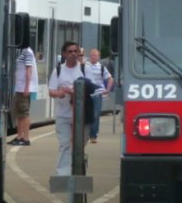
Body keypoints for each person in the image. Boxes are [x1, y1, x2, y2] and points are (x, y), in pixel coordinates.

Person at [48, 41, 91, 176]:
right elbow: (51, 91)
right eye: (70, 51)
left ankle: (78, 168)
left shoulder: (85, 69)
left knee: (79, 145)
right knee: (65, 144)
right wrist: (59, 93)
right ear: (64, 54)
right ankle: (63, 175)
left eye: (75, 51)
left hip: (82, 115)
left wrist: (74, 91)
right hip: (63, 114)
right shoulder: (58, 70)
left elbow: (93, 89)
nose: (73, 54)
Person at [9, 46, 38, 146]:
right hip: (19, 87)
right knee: (19, 113)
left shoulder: (27, 52)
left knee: (24, 112)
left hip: (23, 88)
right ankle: (19, 136)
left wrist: (27, 87)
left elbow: (29, 70)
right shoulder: (24, 51)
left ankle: (25, 138)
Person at [84, 48, 113, 144]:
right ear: (90, 56)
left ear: (98, 57)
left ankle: (93, 136)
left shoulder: (101, 67)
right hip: (86, 94)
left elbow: (110, 79)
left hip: (97, 94)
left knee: (96, 115)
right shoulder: (85, 66)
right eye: (92, 55)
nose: (94, 57)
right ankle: (85, 133)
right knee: (85, 114)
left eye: (95, 55)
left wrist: (107, 89)